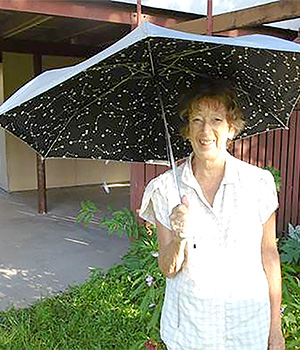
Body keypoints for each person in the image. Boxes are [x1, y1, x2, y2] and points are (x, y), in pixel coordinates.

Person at [139, 79, 285, 350]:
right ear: (187, 130)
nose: (206, 131)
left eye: (216, 119)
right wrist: (179, 237)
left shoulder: (258, 184)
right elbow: (167, 269)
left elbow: (269, 253)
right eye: (197, 120)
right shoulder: (164, 189)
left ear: (231, 128)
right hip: (191, 331)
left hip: (248, 326)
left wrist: (275, 328)